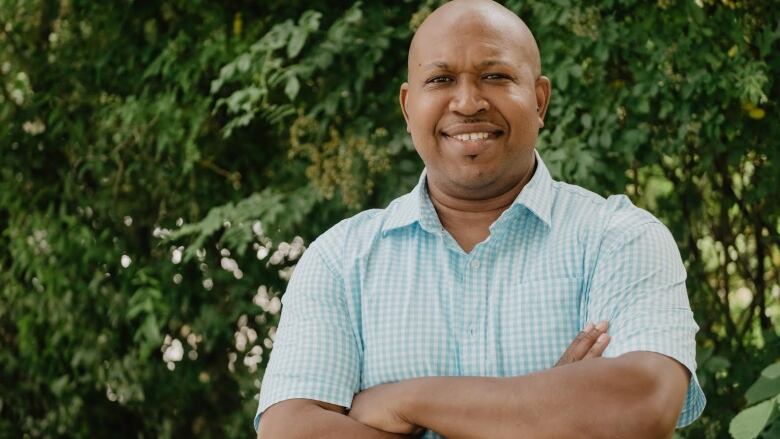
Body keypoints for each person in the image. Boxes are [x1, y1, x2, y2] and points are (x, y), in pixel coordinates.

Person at [255, 0, 705, 437]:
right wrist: (542, 413)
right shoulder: (340, 259)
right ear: (409, 107)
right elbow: (290, 430)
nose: (468, 102)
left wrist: (406, 401)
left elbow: (643, 405)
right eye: (441, 79)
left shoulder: (619, 238)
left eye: (495, 76)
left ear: (539, 100)